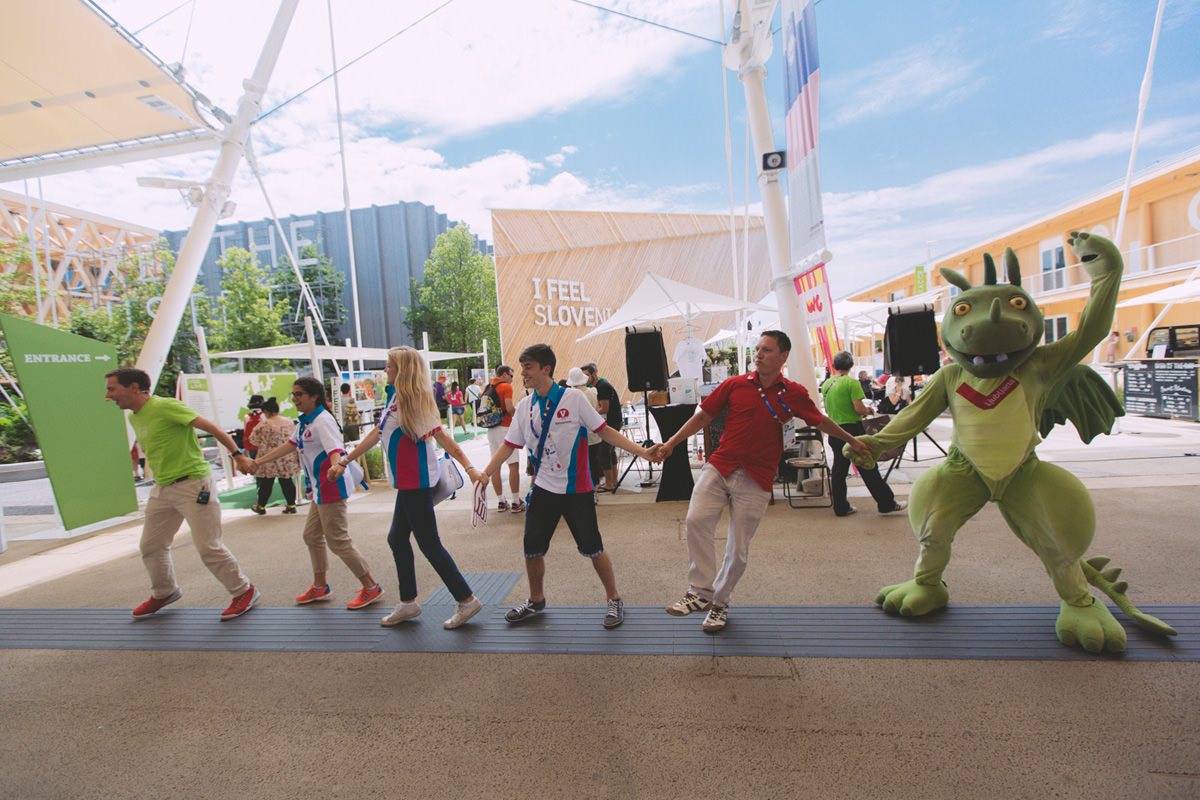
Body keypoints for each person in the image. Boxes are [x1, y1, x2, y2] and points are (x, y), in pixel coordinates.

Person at [650, 331, 871, 633]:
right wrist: (672, 442)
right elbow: (702, 417)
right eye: (757, 349)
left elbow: (820, 420)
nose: (759, 354)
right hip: (721, 464)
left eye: (766, 350)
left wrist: (852, 440)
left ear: (783, 356)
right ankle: (700, 592)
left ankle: (720, 603)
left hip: (757, 476)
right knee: (695, 520)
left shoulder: (793, 392)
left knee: (738, 549)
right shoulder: (735, 384)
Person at [477, 343, 658, 630]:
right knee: (532, 547)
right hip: (544, 489)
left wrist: (643, 451)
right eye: (522, 367)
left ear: (546, 369)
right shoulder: (525, 406)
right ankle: (536, 599)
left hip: (577, 489)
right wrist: (485, 473)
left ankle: (614, 598)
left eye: (528, 367)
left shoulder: (573, 399)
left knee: (592, 546)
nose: (523, 373)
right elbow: (509, 445)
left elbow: (605, 431)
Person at [329, 347, 485, 629]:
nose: (385, 370)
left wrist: (469, 467)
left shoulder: (413, 402)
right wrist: (344, 461)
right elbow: (376, 434)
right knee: (397, 539)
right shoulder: (396, 400)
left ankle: (466, 600)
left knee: (428, 543)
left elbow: (442, 437)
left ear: (402, 370)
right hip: (408, 482)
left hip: (416, 482)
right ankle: (408, 603)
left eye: (389, 366)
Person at [103, 367, 259, 621]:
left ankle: (244, 590)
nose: (108, 396)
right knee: (151, 546)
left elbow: (212, 428)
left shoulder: (165, 406)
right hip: (163, 489)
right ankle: (165, 591)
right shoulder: (135, 417)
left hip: (194, 485)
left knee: (208, 546)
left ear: (133, 387)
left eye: (112, 389)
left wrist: (238, 455)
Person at [252, 377, 384, 611]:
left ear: (314, 396)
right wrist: (259, 462)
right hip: (320, 490)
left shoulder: (322, 420)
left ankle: (371, 586)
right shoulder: (305, 422)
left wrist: (335, 467)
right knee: (312, 536)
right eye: (293, 394)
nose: (294, 399)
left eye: (299, 394)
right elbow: (291, 445)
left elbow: (336, 450)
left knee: (338, 541)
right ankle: (320, 586)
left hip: (332, 488)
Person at [820, 351, 906, 517]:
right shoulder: (852, 383)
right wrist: (869, 410)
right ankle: (887, 503)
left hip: (834, 429)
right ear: (851, 365)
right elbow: (858, 409)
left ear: (834, 366)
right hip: (852, 430)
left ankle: (840, 506)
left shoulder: (827, 384)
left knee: (839, 470)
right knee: (868, 466)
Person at [247, 397, 299, 515]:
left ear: (267, 411)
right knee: (287, 481)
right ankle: (291, 505)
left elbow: (253, 440)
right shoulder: (289, 422)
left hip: (269, 459)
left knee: (266, 483)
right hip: (286, 457)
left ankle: (261, 506)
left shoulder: (265, 424)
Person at [485, 364, 523, 512]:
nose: (512, 380)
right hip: (505, 428)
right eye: (511, 376)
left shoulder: (488, 386)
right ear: (505, 374)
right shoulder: (506, 387)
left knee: (496, 465)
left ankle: (501, 501)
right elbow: (509, 408)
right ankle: (515, 501)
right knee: (513, 465)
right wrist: (517, 414)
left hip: (491, 430)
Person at [582, 361, 622, 492]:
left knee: (603, 453)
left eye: (587, 375)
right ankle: (614, 481)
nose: (585, 378)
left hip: (612, 423)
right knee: (609, 453)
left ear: (594, 374)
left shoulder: (602, 386)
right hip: (611, 422)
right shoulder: (597, 387)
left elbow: (604, 408)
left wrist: (589, 415)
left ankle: (609, 483)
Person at [242, 394, 264, 460]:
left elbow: (245, 431)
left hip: (251, 445)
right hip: (263, 444)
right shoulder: (264, 415)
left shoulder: (247, 416)